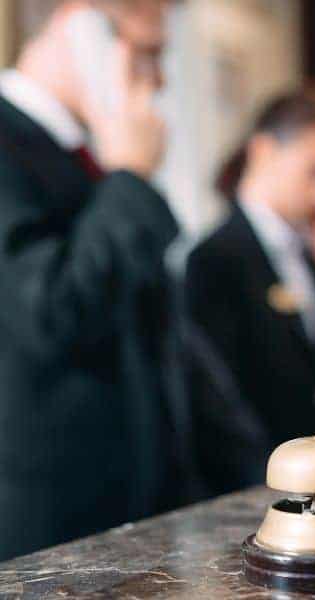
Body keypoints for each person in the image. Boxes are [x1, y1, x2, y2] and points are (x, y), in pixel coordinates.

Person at [0, 0, 184, 560]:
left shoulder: (82, 156)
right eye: (145, 53)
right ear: (77, 27)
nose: (159, 79)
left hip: (131, 519)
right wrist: (129, 177)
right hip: (48, 534)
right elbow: (50, 313)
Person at [185, 92, 315, 496]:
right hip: (264, 488)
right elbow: (222, 405)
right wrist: (273, 487)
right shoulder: (213, 260)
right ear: (264, 152)